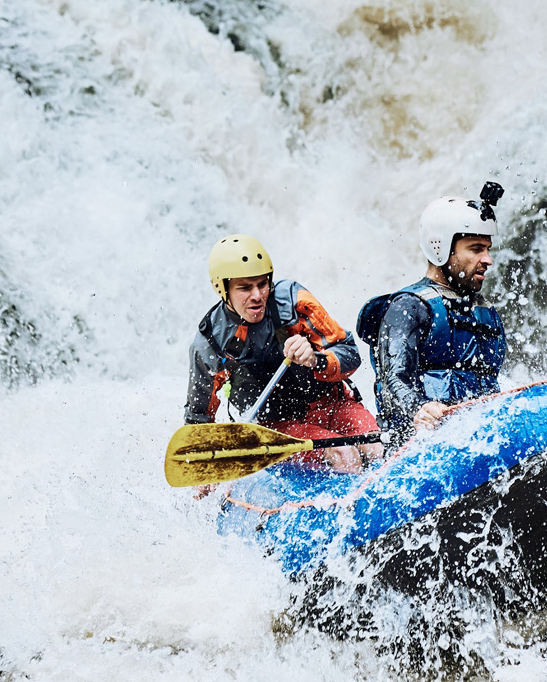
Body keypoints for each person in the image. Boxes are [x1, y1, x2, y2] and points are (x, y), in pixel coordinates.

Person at [183, 234, 382, 472]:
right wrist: (202, 467)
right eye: (245, 287)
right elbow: (199, 415)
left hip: (333, 405)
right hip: (279, 429)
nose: (257, 295)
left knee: (378, 448)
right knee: (345, 456)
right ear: (223, 289)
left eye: (262, 284)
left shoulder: (294, 302)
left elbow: (349, 353)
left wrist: (315, 360)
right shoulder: (211, 342)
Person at [358, 183, 508, 445]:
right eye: (475, 249)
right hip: (418, 446)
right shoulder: (408, 307)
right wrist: (419, 408)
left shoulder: (483, 311)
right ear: (440, 248)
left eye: (487, 249)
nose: (487, 259)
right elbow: (394, 378)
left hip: (477, 437)